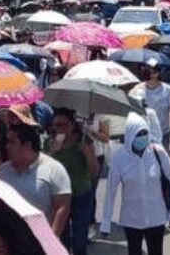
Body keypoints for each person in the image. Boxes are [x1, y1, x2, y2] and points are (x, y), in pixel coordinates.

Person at [100, 114, 170, 255]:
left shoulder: (158, 153)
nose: (142, 138)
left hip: (156, 218)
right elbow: (110, 191)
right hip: (132, 220)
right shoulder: (120, 158)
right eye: (138, 134)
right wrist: (106, 222)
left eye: (144, 133)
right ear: (130, 135)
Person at [0, 120, 71, 238]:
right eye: (7, 142)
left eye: (12, 142)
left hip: (39, 240)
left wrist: (52, 239)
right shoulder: (2, 171)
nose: (7, 146)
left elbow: (62, 206)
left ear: (27, 145)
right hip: (8, 240)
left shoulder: (54, 169)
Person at [46, 108, 99, 255]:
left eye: (63, 125)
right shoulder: (49, 142)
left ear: (72, 125)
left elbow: (94, 171)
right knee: (61, 239)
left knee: (79, 241)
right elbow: (40, 168)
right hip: (59, 197)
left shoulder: (83, 141)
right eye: (56, 125)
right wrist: (51, 151)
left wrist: (87, 153)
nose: (59, 129)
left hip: (81, 194)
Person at [129, 60, 170, 149]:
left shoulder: (167, 90)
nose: (152, 75)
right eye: (149, 72)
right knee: (144, 160)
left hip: (163, 134)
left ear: (159, 73)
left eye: (154, 72)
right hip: (143, 134)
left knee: (161, 160)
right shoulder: (137, 89)